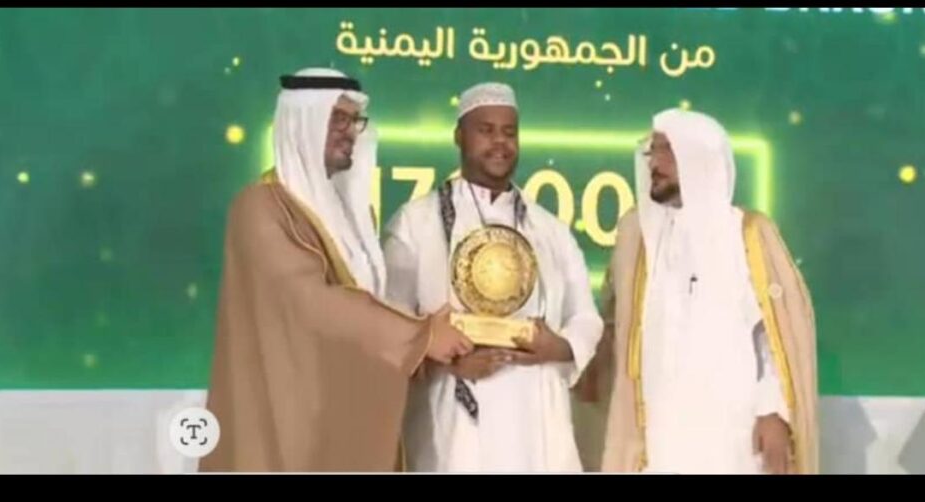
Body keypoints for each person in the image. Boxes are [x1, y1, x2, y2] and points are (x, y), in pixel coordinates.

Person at [200, 68, 473, 473]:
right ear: (304, 123)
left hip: (345, 416)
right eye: (337, 119)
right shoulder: (260, 209)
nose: (350, 133)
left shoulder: (349, 215)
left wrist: (427, 338)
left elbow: (363, 302)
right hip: (287, 421)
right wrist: (421, 336)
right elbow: (311, 303)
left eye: (355, 121)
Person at [382, 82, 603, 472]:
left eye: (509, 132)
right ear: (459, 136)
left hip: (535, 418)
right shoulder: (414, 223)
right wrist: (446, 362)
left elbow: (585, 317)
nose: (499, 142)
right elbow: (390, 327)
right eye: (485, 130)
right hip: (451, 420)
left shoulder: (549, 230)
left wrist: (557, 347)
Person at [599, 109, 818, 474]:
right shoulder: (639, 237)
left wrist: (773, 410)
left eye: (667, 150)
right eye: (652, 150)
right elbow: (613, 322)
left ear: (699, 157)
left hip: (730, 436)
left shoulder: (747, 235)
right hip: (659, 433)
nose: (654, 162)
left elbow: (774, 336)